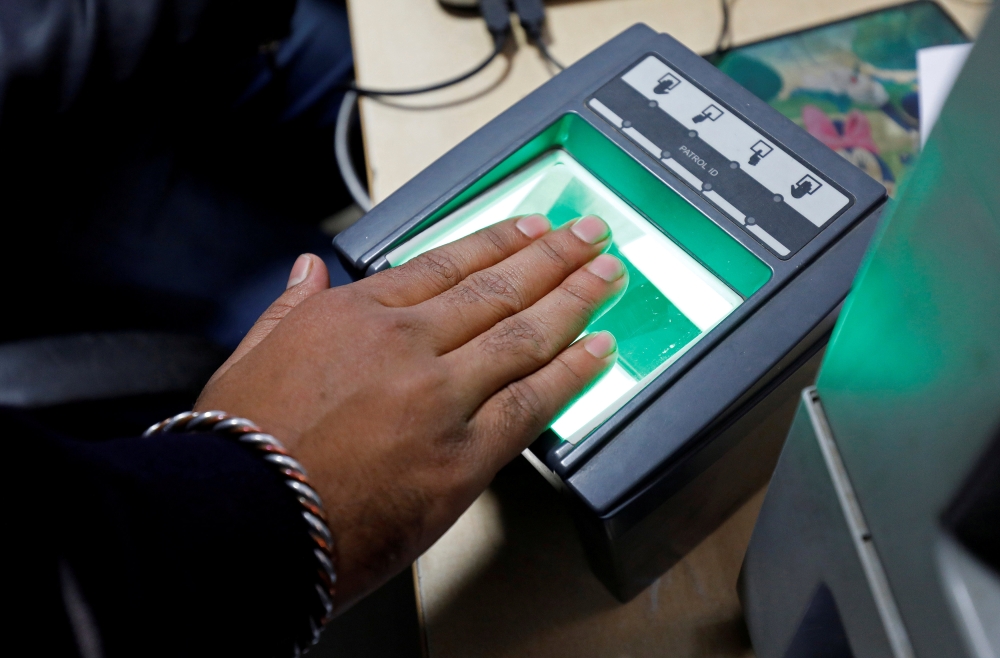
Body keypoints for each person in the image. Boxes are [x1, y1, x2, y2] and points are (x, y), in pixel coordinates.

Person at [3, 2, 628, 655]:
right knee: (372, 296)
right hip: (43, 190)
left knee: (371, 76)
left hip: (140, 55)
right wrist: (256, 500)